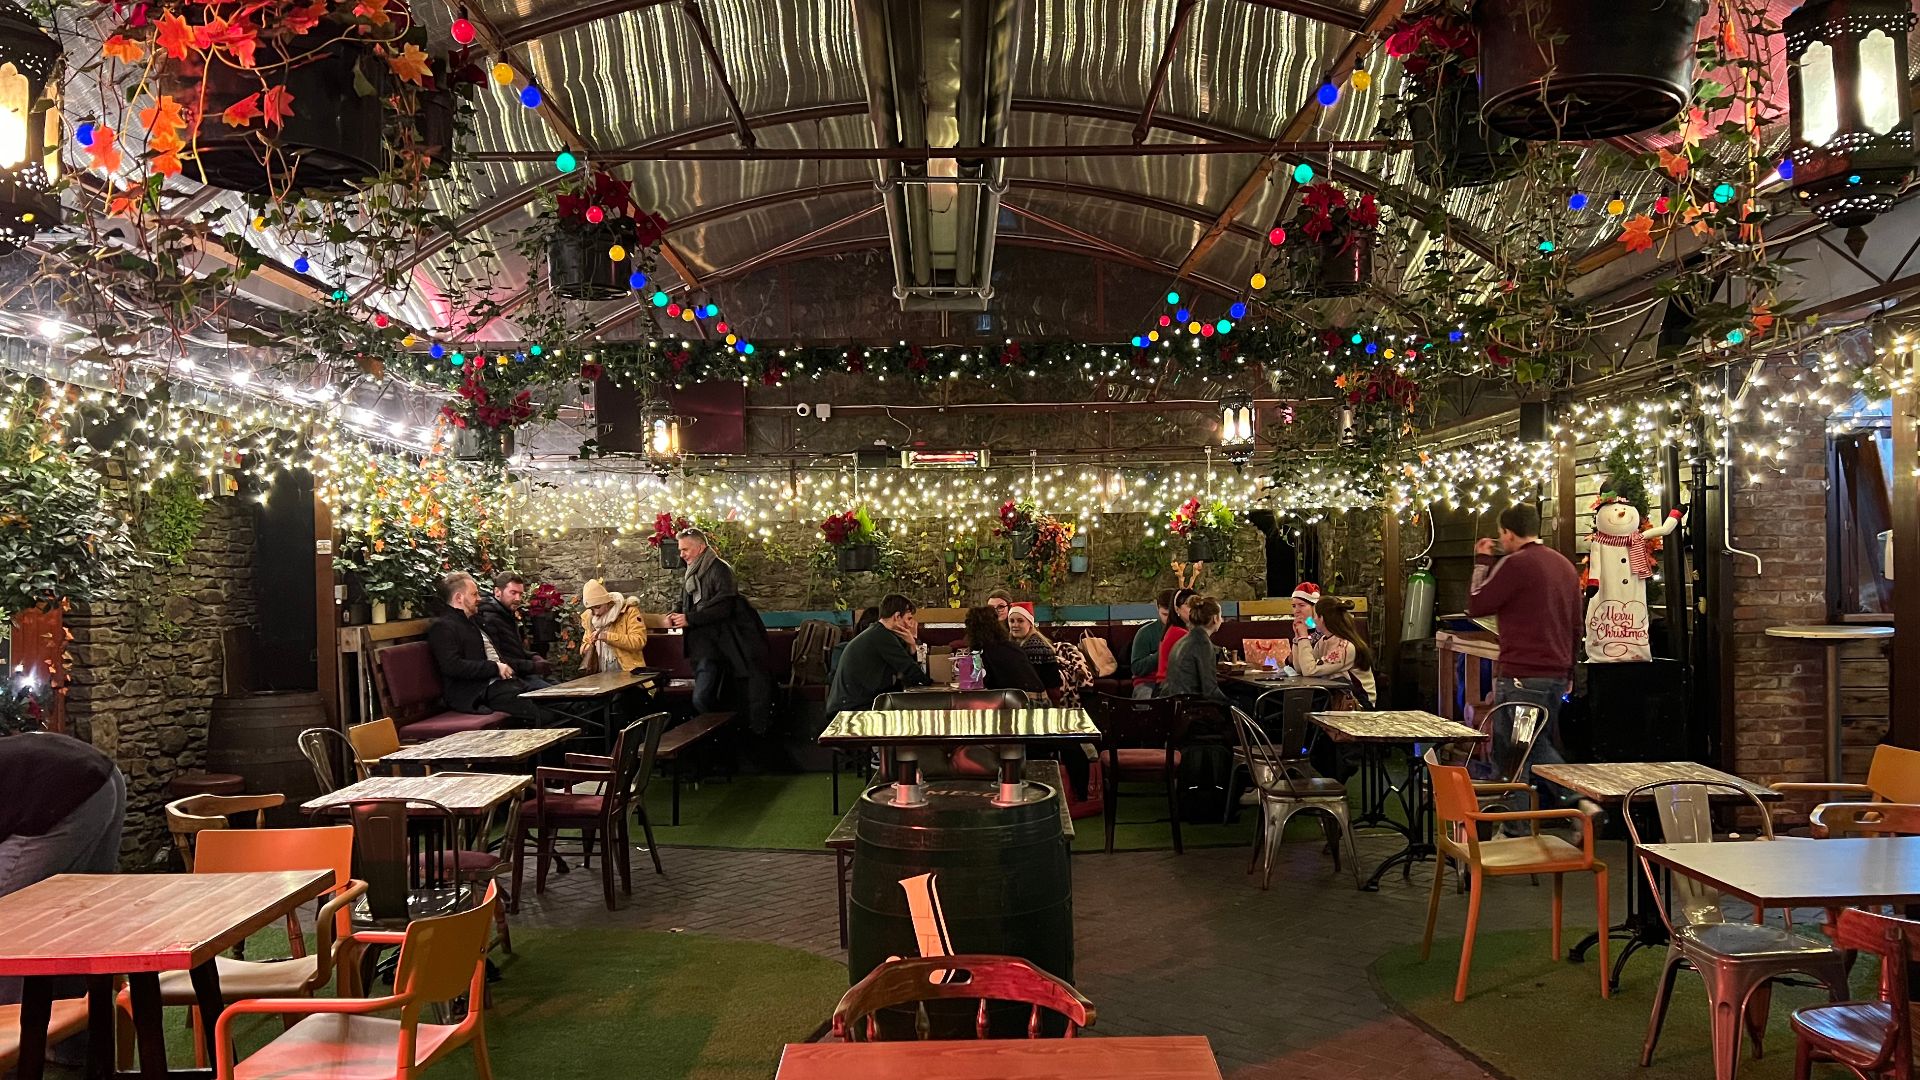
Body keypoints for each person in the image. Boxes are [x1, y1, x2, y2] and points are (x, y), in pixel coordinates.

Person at [0, 726, 127, 1029]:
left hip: (62, 790)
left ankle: (13, 1051)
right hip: (101, 774)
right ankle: (73, 1048)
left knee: (10, 923)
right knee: (71, 918)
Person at [1467, 503, 1587, 807]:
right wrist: (1570, 671)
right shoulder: (1565, 566)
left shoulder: (1516, 564)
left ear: (1507, 533)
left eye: (1501, 534)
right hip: (1556, 674)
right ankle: (1517, 824)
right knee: (1529, 746)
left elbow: (1477, 605)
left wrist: (1483, 560)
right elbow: (1576, 624)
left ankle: (1578, 801)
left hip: (1522, 673)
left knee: (1518, 751)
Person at [666, 528, 772, 729]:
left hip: (715, 647)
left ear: (701, 547)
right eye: (681, 550)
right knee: (710, 696)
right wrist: (676, 613)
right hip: (702, 647)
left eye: (685, 549)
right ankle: (720, 734)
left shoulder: (720, 570)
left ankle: (719, 732)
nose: (682, 555)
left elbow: (724, 606)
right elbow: (687, 601)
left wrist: (689, 619)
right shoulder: (693, 571)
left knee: (702, 698)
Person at [427, 571, 549, 724]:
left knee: (558, 701)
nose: (479, 599)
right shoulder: (443, 626)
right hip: (477, 693)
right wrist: (495, 668)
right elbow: (452, 666)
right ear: (459, 598)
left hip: (504, 685)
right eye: (474, 594)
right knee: (549, 713)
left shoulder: (473, 621)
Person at [824, 594, 930, 716]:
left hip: (856, 704)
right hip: (850, 709)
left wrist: (911, 645)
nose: (911, 624)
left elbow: (907, 674)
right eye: (909, 619)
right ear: (897, 616)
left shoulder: (879, 633)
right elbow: (912, 673)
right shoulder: (882, 637)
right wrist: (931, 684)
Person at [1292, 595, 1377, 707]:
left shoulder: (1344, 647)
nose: (1314, 620)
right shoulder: (1324, 640)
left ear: (1322, 618)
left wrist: (1303, 637)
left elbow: (1310, 670)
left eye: (1315, 616)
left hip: (1357, 703)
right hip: (1336, 698)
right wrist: (1298, 638)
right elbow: (1301, 669)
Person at [476, 572, 552, 689]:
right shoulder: (488, 618)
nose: (518, 598)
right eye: (513, 593)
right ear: (497, 592)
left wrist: (534, 656)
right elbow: (500, 658)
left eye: (520, 594)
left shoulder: (506, 614)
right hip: (513, 680)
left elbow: (515, 650)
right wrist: (533, 666)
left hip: (524, 675)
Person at [1158, 595, 1231, 705]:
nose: (1222, 620)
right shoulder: (1202, 642)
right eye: (1221, 616)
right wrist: (1233, 705)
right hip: (1190, 707)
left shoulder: (1185, 639)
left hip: (1173, 704)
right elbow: (1209, 690)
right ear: (1215, 619)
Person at [964, 605, 1043, 694]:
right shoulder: (1011, 647)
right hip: (1039, 699)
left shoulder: (987, 652)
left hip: (1024, 702)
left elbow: (982, 683)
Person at [578, 578, 649, 675]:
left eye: (598, 607)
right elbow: (584, 644)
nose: (596, 612)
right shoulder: (589, 618)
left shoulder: (628, 612)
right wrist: (587, 647)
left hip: (628, 672)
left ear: (607, 602)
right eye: (591, 609)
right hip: (600, 674)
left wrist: (607, 636)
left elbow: (638, 641)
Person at [1130, 588, 1176, 698]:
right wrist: (1162, 654)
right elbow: (1136, 668)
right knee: (1146, 702)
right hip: (1148, 681)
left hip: (1176, 680)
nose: (1169, 619)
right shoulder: (1145, 633)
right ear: (1157, 608)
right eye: (1165, 614)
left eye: (1172, 615)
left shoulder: (1185, 630)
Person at [1006, 605, 1061, 693]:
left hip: (1046, 697)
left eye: (1020, 621)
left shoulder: (1034, 646)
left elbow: (1027, 681)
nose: (1015, 625)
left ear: (1030, 623)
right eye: (1012, 621)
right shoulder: (1018, 642)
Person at [1153, 588, 1199, 685]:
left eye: (1196, 604)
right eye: (1188, 605)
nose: (1194, 609)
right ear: (1177, 609)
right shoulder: (1179, 633)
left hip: (1172, 686)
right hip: (1172, 690)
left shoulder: (1174, 629)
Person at [1288, 582, 1326, 655]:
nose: (1296, 610)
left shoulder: (1324, 629)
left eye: (1301, 605)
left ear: (1314, 607)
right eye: (1294, 606)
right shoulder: (1302, 626)